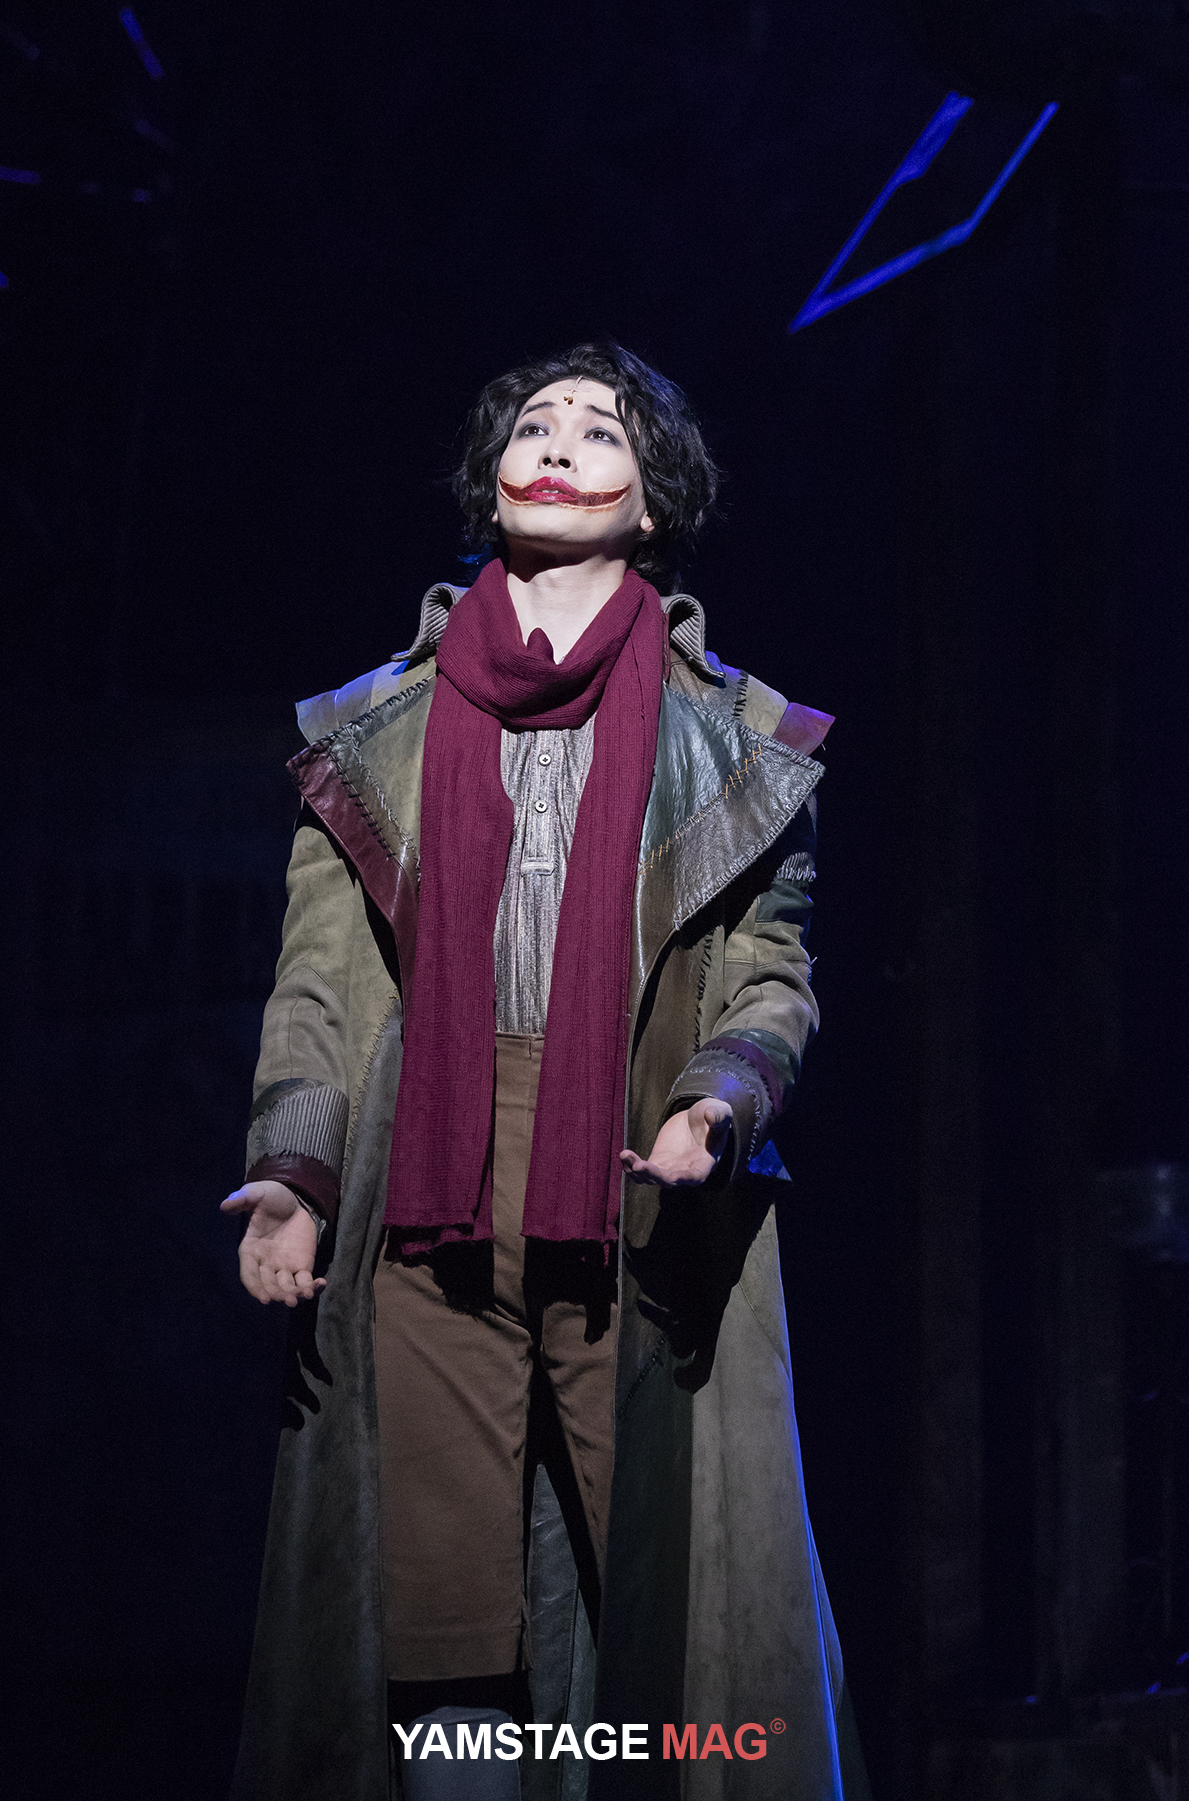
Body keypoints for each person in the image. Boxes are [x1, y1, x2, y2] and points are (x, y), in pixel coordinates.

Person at [224, 343, 867, 1801]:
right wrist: (293, 1170)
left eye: (602, 430)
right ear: (493, 477)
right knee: (442, 1606)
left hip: (634, 1183)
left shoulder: (739, 739)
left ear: (653, 501)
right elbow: (318, 986)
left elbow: (773, 974)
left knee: (666, 1617)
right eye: (534, 424)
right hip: (429, 1195)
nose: (561, 444)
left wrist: (718, 1100)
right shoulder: (372, 729)